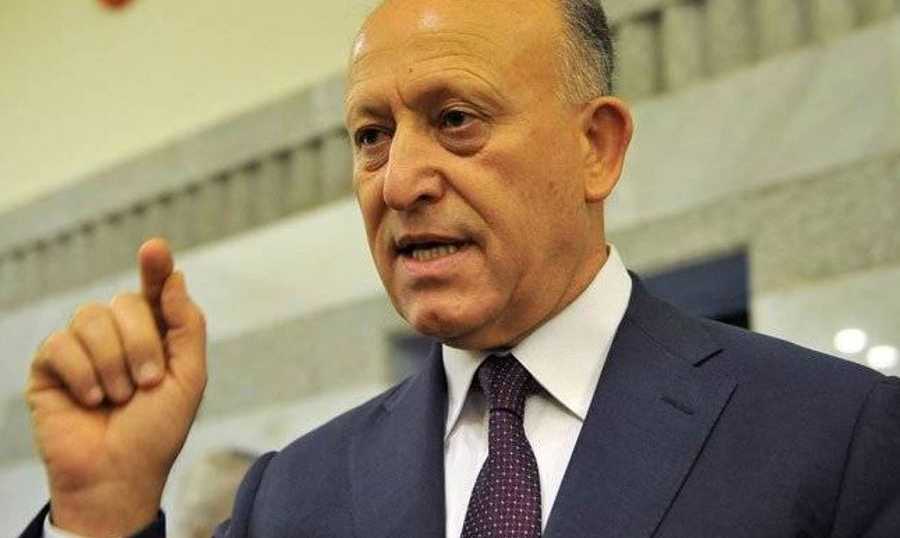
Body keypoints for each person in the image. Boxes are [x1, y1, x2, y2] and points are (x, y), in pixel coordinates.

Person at [21, 0, 900, 536]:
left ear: (596, 147)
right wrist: (98, 518)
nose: (399, 180)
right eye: (372, 135)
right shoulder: (288, 497)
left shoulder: (842, 438)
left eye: (455, 119)